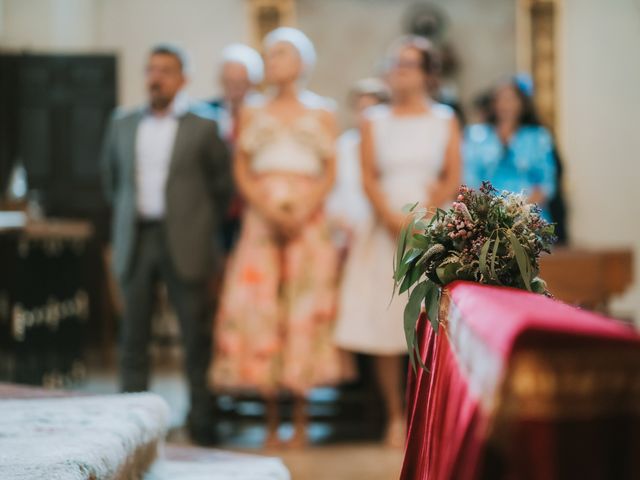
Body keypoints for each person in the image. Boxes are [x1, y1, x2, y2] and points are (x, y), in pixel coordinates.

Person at [208, 27, 347, 448]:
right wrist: (265, 208)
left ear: (302, 62)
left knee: (303, 308)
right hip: (260, 220)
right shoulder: (251, 110)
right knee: (263, 308)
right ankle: (270, 421)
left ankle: (302, 420)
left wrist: (304, 210)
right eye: (269, 55)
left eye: (281, 54)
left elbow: (330, 169)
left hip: (309, 219)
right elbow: (241, 168)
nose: (273, 62)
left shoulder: (323, 111)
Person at [334, 36, 461, 448]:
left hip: (431, 226)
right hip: (383, 225)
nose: (399, 70)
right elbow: (368, 174)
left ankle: (430, 415)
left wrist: (424, 218)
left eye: (408, 64)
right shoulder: (374, 120)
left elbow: (451, 176)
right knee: (385, 323)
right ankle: (394, 414)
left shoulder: (445, 120)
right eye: (395, 63)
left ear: (427, 73)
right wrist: (392, 219)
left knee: (432, 322)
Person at [101, 44, 232, 445]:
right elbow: (112, 180)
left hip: (187, 240)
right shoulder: (122, 123)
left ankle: (202, 421)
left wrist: (200, 225)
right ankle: (131, 426)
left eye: (166, 71)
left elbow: (222, 187)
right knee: (133, 336)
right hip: (137, 238)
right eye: (151, 69)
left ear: (183, 78)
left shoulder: (205, 125)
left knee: (195, 335)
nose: (156, 77)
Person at [463, 75, 557, 220]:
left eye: (511, 99)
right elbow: (469, 178)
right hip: (486, 216)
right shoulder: (476, 135)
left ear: (522, 103)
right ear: (493, 104)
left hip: (529, 216)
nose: (505, 105)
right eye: (500, 99)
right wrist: (488, 214)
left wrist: (520, 212)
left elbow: (546, 183)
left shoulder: (538, 137)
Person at [208, 43, 265, 252]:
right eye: (229, 82)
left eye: (241, 82)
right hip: (216, 207)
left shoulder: (265, 114)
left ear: (254, 83)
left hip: (253, 204)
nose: (234, 88)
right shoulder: (205, 113)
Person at [325, 78, 389, 252]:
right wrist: (341, 221)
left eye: (372, 111)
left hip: (383, 227)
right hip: (346, 231)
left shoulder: (390, 148)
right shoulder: (343, 146)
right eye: (361, 110)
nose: (365, 117)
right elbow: (332, 188)